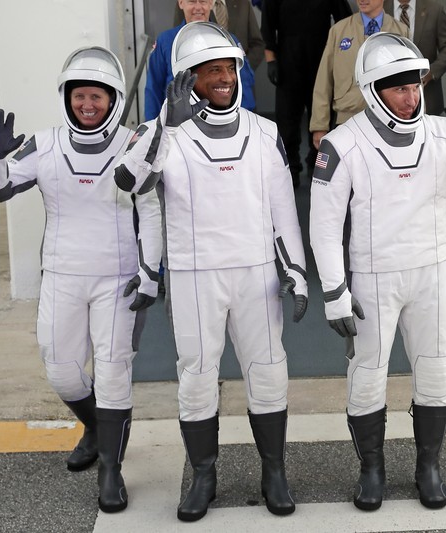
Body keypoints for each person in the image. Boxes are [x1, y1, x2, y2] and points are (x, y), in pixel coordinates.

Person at [309, 32, 446, 511]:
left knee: (437, 370)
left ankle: (429, 466)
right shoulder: (342, 144)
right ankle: (372, 469)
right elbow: (323, 226)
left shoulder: (442, 132)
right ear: (373, 90)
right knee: (367, 374)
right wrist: (335, 292)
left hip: (430, 274)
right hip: (372, 277)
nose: (410, 98)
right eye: (398, 89)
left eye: (415, 86)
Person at [114, 22, 308, 522]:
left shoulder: (264, 132)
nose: (224, 78)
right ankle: (204, 475)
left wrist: (296, 271)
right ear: (187, 78)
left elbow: (283, 211)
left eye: (230, 69)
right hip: (195, 276)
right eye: (212, 70)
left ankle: (274, 472)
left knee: (269, 372)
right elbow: (128, 180)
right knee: (197, 378)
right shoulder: (161, 133)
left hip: (256, 274)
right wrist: (165, 124)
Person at [0, 47, 162, 513]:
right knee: (62, 370)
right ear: (67, 98)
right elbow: (1, 188)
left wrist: (150, 271)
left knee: (114, 370)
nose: (87, 104)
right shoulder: (44, 144)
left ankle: (111, 470)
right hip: (62, 275)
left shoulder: (134, 143)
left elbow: (152, 209)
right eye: (80, 96)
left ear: (113, 99)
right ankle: (98, 427)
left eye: (96, 96)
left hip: (119, 279)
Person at [261, 0, 352, 187]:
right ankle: (290, 169)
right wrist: (271, 61)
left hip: (321, 60)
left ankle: (317, 165)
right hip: (288, 61)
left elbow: (346, 20)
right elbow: (268, 24)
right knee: (287, 122)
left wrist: (341, 55)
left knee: (322, 118)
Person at [310, 0, 408, 151]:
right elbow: (324, 81)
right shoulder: (338, 30)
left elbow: (410, 79)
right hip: (347, 119)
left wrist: (417, 122)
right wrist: (319, 125)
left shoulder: (400, 31)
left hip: (388, 119)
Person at [145, 0, 256, 121]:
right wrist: (154, 126)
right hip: (178, 124)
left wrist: (243, 122)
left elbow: (244, 84)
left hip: (221, 123)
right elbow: (154, 88)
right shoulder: (165, 41)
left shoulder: (228, 40)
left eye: (203, 1)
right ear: (181, 3)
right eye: (192, 2)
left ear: (211, 3)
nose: (198, 7)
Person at [384, 0, 446, 116]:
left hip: (427, 95)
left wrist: (431, 72)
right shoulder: (380, 8)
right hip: (388, 96)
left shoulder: (434, 9)